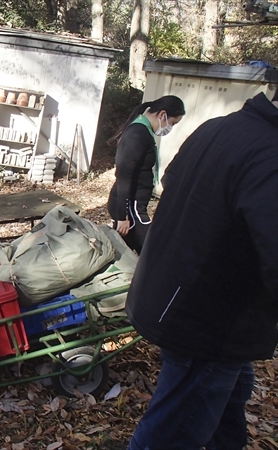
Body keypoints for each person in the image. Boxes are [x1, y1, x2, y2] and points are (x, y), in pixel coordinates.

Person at [125, 89, 278, 450]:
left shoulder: (220, 128)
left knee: (228, 401)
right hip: (209, 318)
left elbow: (173, 182)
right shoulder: (270, 156)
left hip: (177, 293)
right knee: (175, 429)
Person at [107, 95, 185, 254]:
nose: (171, 127)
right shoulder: (138, 134)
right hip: (131, 208)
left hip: (135, 205)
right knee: (151, 250)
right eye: (172, 123)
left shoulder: (143, 130)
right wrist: (122, 216)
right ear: (162, 115)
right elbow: (123, 175)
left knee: (125, 249)